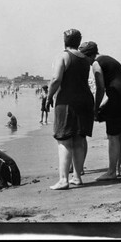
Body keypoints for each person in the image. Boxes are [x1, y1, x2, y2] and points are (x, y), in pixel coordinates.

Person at [79, 41, 121, 180]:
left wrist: (95, 108)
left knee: (113, 135)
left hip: (118, 96)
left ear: (88, 55)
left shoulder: (96, 63)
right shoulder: (108, 59)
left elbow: (100, 88)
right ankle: (117, 169)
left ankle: (111, 172)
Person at [46, 29, 94, 190]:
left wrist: (48, 97)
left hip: (67, 101)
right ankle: (77, 177)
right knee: (80, 139)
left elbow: (56, 79)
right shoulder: (85, 58)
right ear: (79, 41)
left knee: (64, 140)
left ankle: (63, 180)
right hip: (85, 100)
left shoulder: (63, 55)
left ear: (65, 41)